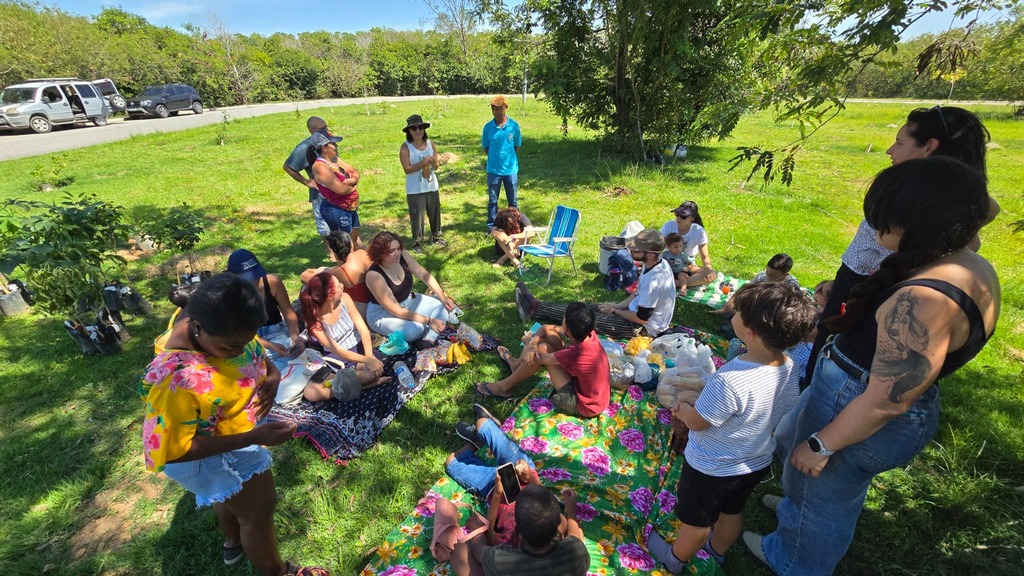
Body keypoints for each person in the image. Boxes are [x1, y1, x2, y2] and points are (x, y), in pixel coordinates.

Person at [746, 157, 1000, 576]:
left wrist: (822, 444)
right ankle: (798, 508)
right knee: (802, 457)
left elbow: (886, 400)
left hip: (856, 406)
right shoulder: (969, 262)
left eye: (886, 222)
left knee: (826, 494)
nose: (877, 229)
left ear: (919, 224)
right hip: (851, 392)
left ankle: (793, 559)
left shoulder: (924, 301)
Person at [140, 274, 328, 576]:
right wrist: (253, 437)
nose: (239, 352)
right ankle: (278, 571)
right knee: (258, 511)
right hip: (213, 452)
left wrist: (273, 377)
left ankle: (234, 540)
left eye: (246, 341)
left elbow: (252, 355)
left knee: (230, 498)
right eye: (230, 348)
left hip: (236, 434)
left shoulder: (225, 322)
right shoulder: (176, 380)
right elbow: (175, 451)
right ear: (197, 329)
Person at [805, 106, 1000, 384]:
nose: (889, 150)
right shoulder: (923, 188)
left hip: (881, 286)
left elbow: (989, 212)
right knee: (830, 349)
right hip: (862, 279)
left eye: (899, 142)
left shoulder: (937, 197)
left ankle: (827, 396)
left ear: (929, 146)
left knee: (846, 360)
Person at [647, 281, 818, 574]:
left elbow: (699, 423)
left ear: (750, 332)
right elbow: (782, 405)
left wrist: (685, 410)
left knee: (697, 521)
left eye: (737, 313)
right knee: (731, 510)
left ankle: (675, 559)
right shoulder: (787, 366)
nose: (733, 315)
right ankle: (718, 550)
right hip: (754, 461)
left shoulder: (730, 380)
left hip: (712, 467)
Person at [514, 229, 676, 340]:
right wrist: (618, 306)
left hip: (643, 329)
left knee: (584, 319)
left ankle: (534, 309)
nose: (631, 251)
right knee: (584, 307)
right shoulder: (656, 264)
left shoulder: (655, 280)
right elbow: (638, 293)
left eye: (636, 250)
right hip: (636, 314)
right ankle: (537, 307)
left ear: (650, 254)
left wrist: (615, 311)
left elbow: (641, 318)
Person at [477, 303, 611, 419]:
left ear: (567, 329)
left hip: (585, 405)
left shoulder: (576, 354)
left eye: (564, 318)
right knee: (550, 336)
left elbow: (539, 358)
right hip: (593, 394)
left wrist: (530, 342)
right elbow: (547, 328)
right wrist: (532, 344)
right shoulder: (588, 333)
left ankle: (504, 387)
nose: (562, 320)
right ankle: (516, 364)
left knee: (542, 349)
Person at [452, 484, 590, 576]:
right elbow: (574, 534)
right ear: (557, 528)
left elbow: (479, 550)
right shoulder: (575, 550)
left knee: (460, 552)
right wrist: (570, 510)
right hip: (566, 561)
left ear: (517, 533)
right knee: (579, 532)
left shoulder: (502, 560)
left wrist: (478, 532)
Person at [292, 271, 388, 402]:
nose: (342, 286)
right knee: (312, 393)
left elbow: (363, 329)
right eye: (338, 285)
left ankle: (349, 385)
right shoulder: (314, 321)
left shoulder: (346, 299)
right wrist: (368, 361)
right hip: (335, 360)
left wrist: (369, 357)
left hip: (359, 351)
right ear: (330, 295)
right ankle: (363, 385)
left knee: (373, 370)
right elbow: (338, 351)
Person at [364, 231, 455, 345]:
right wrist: (429, 321)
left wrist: (442, 297)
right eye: (391, 251)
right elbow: (397, 310)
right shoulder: (374, 275)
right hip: (383, 313)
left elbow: (423, 274)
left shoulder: (403, 255)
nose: (397, 253)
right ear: (380, 253)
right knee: (415, 330)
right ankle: (430, 332)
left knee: (441, 307)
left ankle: (429, 339)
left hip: (408, 301)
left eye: (398, 248)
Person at [226, 249, 304, 373]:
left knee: (293, 356)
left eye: (255, 277)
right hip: (249, 337)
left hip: (276, 330)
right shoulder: (230, 294)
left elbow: (288, 312)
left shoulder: (272, 282)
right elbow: (239, 333)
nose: (253, 282)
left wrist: (295, 336)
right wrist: (271, 346)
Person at [282, 116, 341, 242]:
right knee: (326, 229)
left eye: (326, 127)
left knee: (342, 224)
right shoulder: (304, 147)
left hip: (337, 190)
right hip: (320, 195)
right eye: (322, 128)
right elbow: (288, 167)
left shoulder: (328, 142)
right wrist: (307, 182)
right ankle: (331, 255)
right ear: (312, 130)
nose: (326, 130)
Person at [301, 230, 373, 320]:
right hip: (375, 302)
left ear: (333, 250)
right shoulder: (362, 254)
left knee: (308, 287)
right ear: (351, 244)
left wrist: (314, 271)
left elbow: (304, 277)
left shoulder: (337, 272)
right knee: (323, 270)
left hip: (362, 310)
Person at [399, 114, 445, 253]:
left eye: (420, 128)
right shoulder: (405, 147)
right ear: (409, 131)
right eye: (414, 128)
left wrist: (435, 162)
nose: (418, 131)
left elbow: (436, 167)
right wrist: (422, 163)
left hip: (431, 185)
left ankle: (436, 236)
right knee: (417, 215)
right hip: (415, 188)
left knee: (434, 211)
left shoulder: (431, 144)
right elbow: (407, 169)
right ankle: (417, 241)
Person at [310, 132, 363, 249]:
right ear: (324, 147)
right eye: (333, 143)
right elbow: (341, 189)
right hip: (336, 209)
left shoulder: (335, 159)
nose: (336, 146)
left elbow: (355, 171)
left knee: (354, 238)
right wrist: (355, 183)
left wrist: (353, 179)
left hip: (349, 206)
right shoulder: (320, 166)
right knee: (345, 245)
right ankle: (347, 266)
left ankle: (364, 264)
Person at [713, 253, 802, 317]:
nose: (768, 275)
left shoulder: (791, 285)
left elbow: (787, 307)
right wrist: (730, 303)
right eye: (767, 271)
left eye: (773, 275)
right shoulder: (762, 276)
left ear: (784, 274)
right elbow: (745, 289)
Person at [482, 95, 522, 232]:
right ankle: (492, 228)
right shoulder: (488, 127)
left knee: (513, 201)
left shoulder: (514, 126)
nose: (497, 112)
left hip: (511, 170)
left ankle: (515, 226)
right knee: (493, 201)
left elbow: (516, 146)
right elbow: (486, 148)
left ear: (506, 107)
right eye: (494, 109)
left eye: (499, 109)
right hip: (493, 171)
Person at [659, 201, 717, 288]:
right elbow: (658, 244)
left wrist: (708, 268)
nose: (678, 218)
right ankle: (683, 283)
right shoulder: (669, 225)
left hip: (687, 263)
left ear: (692, 218)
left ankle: (674, 283)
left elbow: (704, 256)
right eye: (677, 214)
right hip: (669, 260)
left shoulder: (698, 230)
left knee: (712, 275)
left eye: (683, 216)